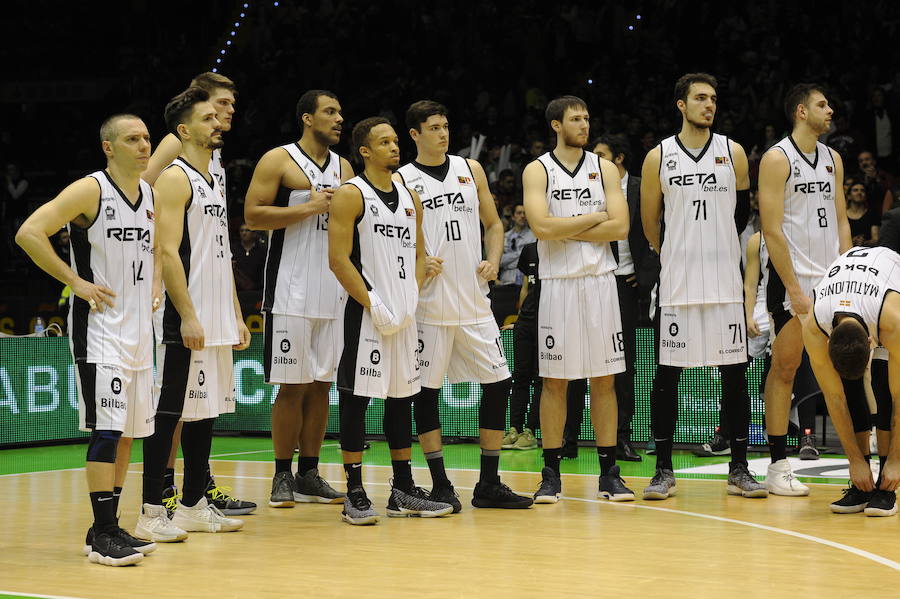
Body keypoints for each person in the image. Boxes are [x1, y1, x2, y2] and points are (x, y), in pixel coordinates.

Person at [16, 114, 160, 565]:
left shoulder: (151, 194)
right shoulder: (90, 190)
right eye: (132, 139)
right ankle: (102, 534)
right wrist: (75, 281)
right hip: (101, 332)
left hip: (140, 333)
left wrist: (155, 284)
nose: (143, 145)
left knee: (127, 436)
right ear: (108, 147)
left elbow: (154, 252)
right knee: (107, 431)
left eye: (146, 138)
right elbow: (28, 233)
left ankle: (109, 524)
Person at [396, 100, 532, 510]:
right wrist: (417, 260)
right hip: (428, 306)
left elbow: (494, 223)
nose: (443, 133)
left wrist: (492, 257)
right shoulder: (402, 179)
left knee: (499, 383)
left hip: (474, 301)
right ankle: (439, 483)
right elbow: (395, 240)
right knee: (425, 395)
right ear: (415, 134)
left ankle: (489, 483)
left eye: (446, 125)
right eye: (434, 127)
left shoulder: (469, 170)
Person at [640, 73, 766, 500]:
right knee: (666, 379)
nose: (709, 105)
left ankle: (740, 467)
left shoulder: (733, 153)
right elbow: (648, 220)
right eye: (700, 98)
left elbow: (741, 211)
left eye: (713, 98)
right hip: (677, 284)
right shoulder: (659, 156)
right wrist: (675, 248)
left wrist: (715, 244)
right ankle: (662, 470)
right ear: (681, 104)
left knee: (735, 378)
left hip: (724, 283)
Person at [329, 116, 453, 524]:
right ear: (365, 151)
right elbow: (338, 259)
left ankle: (402, 489)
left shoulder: (409, 196)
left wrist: (411, 294)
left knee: (402, 400)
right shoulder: (351, 194)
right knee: (356, 400)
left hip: (404, 314)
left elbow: (419, 254)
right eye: (384, 142)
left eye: (395, 141)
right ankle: (355, 492)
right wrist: (373, 301)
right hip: (365, 314)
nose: (394, 147)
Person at [139, 87, 251, 537]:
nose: (217, 123)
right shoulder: (175, 178)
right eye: (207, 118)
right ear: (184, 129)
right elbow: (167, 251)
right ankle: (150, 511)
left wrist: (237, 312)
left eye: (217, 117)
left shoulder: (213, 178)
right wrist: (186, 314)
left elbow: (219, 253)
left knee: (205, 411)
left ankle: (192, 503)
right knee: (169, 412)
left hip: (216, 309)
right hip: (184, 313)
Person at [522, 95, 634, 503]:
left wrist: (563, 227)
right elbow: (540, 227)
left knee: (604, 380)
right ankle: (550, 473)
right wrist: (593, 219)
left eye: (587, 117)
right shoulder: (537, 170)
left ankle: (609, 472)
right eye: (576, 118)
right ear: (556, 124)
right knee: (555, 382)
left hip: (600, 282)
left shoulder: (604, 168)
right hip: (558, 283)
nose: (584, 124)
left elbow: (620, 227)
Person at [244, 89, 353, 507]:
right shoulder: (279, 159)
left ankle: (309, 472)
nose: (338, 118)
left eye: (340, 112)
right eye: (330, 111)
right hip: (290, 290)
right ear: (307, 118)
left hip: (333, 291)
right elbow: (253, 215)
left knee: (322, 386)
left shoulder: (344, 166)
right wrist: (307, 207)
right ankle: (281, 475)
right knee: (291, 387)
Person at [760, 83, 851, 495]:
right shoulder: (777, 159)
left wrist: (848, 270)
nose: (829, 110)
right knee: (785, 367)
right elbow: (772, 229)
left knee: (845, 369)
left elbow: (842, 220)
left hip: (833, 280)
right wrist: (795, 288)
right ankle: (778, 465)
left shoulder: (833, 159)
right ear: (801, 111)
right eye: (822, 104)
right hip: (794, 282)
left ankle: (858, 460)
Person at [564, 134, 648, 462]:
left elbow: (657, 230)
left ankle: (621, 437)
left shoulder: (641, 187)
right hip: (585, 279)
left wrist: (645, 275)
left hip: (624, 284)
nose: (593, 161)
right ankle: (569, 435)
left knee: (621, 363)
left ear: (619, 159)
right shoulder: (586, 185)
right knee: (573, 360)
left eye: (601, 156)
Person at [802, 246, 900, 516]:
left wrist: (896, 460)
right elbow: (835, 398)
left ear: (871, 342)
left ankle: (887, 486)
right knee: (848, 390)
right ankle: (862, 484)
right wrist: (854, 461)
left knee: (883, 385)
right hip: (851, 292)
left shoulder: (893, 321)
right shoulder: (814, 326)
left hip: (888, 285)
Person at [503, 240, 541, 451]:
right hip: (525, 322)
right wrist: (518, 320)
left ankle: (531, 431)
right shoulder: (529, 250)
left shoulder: (558, 248)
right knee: (520, 376)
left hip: (546, 322)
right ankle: (514, 429)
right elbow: (525, 287)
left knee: (540, 378)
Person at [498, 204, 536, 285]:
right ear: (513, 217)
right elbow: (499, 261)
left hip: (526, 282)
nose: (522, 216)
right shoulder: (504, 237)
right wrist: (520, 254)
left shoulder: (534, 237)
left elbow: (531, 261)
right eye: (519, 213)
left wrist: (508, 261)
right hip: (505, 282)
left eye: (525, 213)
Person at [231, 222, 266, 291]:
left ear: (253, 233)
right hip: (238, 291)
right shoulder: (233, 249)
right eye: (242, 230)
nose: (244, 233)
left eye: (247, 230)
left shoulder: (261, 251)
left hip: (257, 291)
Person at [846, 181, 879, 247]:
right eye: (855, 190)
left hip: (867, 252)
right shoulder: (843, 215)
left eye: (862, 190)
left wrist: (864, 242)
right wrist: (851, 241)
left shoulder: (872, 214)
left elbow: (876, 239)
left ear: (865, 196)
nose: (859, 193)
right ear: (849, 196)